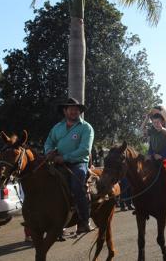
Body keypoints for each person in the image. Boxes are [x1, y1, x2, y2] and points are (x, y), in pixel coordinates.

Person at [44, 98, 94, 234]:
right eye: (70, 109)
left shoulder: (86, 127)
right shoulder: (57, 127)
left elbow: (84, 149)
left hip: (78, 163)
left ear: (79, 111)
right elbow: (49, 142)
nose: (74, 111)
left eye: (76, 109)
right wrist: (49, 151)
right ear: (65, 111)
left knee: (77, 187)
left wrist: (64, 158)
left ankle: (84, 220)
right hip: (57, 162)